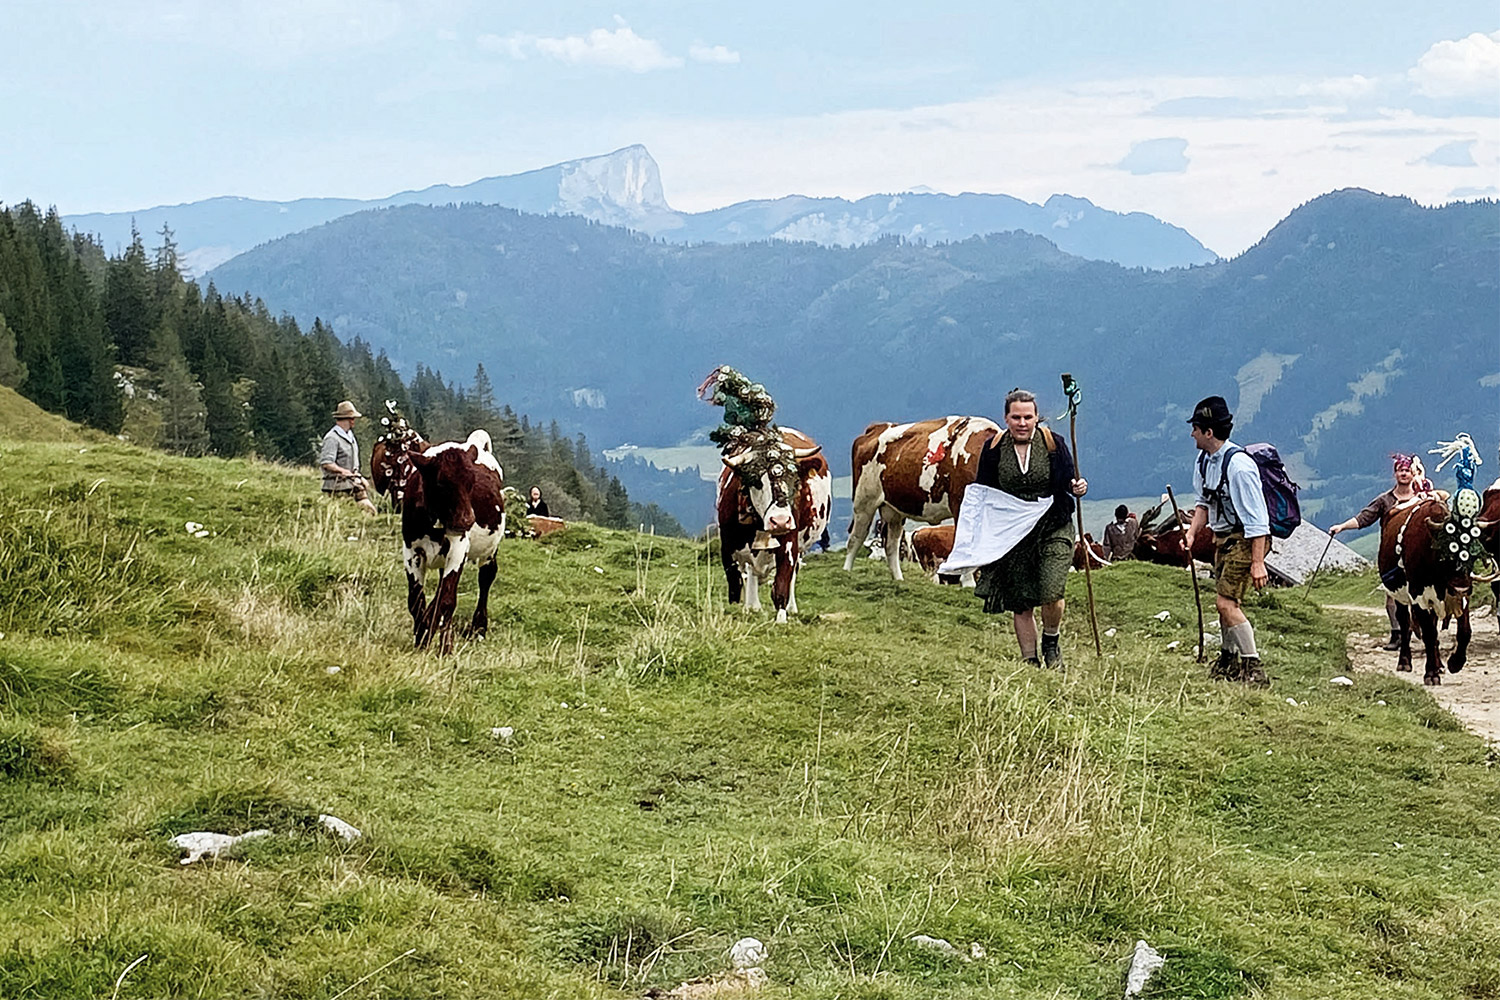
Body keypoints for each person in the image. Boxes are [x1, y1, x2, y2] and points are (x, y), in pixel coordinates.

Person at [972, 388, 1088, 668]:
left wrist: (1078, 487)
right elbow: (983, 493)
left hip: (1053, 526)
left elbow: (1069, 481)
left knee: (1052, 591)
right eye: (1016, 417)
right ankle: (1030, 661)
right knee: (1021, 600)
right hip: (1013, 533)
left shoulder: (1053, 444)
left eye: (1027, 417)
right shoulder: (992, 450)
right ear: (1006, 418)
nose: (1022, 423)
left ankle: (1051, 640)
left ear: (1037, 418)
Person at [1183, 395, 1269, 685]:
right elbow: (1203, 503)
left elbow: (1258, 521)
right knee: (1225, 601)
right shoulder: (1204, 460)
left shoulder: (1239, 467)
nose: (1191, 433)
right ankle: (1228, 659)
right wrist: (1193, 533)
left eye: (1195, 428)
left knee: (1225, 604)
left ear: (1209, 432)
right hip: (1223, 538)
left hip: (1244, 539)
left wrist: (1258, 563)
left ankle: (1253, 667)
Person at [1328, 453, 1422, 650]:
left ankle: (1418, 628)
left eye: (1407, 470)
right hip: (1392, 557)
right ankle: (1396, 634)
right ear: (1395, 474)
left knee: (1418, 594)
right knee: (1392, 594)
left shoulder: (1422, 500)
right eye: (1400, 470)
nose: (1403, 474)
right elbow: (1364, 518)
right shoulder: (1385, 500)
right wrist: (1341, 527)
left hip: (1416, 557)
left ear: (1414, 474)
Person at [319, 400, 377, 516]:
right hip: (338, 487)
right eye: (352, 418)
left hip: (354, 484)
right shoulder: (332, 438)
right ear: (347, 419)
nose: (353, 421)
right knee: (345, 515)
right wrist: (343, 471)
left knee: (371, 512)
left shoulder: (350, 436)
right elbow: (326, 462)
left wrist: (359, 477)